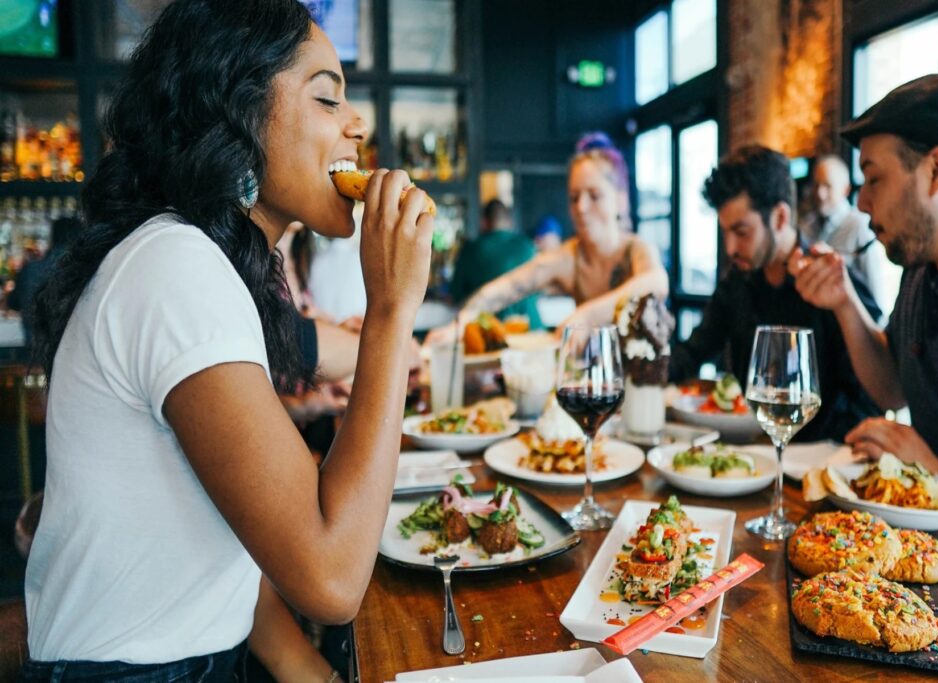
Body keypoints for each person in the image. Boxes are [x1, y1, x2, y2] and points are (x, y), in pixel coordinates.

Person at [21, 1, 433, 680]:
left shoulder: (198, 261)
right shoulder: (174, 266)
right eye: (327, 96)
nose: (358, 124)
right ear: (238, 114)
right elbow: (331, 578)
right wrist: (390, 310)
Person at [790, 73, 938, 520]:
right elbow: (893, 387)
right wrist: (844, 303)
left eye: (873, 179)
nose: (860, 202)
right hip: (932, 539)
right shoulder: (922, 258)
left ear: (937, 170)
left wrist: (937, 472)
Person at [668, 145, 882, 443]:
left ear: (780, 217)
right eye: (725, 232)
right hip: (752, 454)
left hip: (819, 464)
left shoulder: (832, 282)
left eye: (741, 232)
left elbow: (873, 396)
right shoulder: (736, 284)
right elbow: (693, 352)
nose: (730, 248)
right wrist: (641, 369)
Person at [426, 132, 668, 341]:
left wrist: (586, 315)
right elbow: (509, 286)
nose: (581, 207)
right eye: (574, 197)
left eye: (594, 195)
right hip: (595, 384)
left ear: (621, 199)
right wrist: (461, 323)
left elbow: (656, 282)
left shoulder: (636, 249)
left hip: (644, 386)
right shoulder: (570, 256)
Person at [800, 154, 898, 316]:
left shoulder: (860, 227)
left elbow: (876, 293)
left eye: (827, 186)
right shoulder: (806, 226)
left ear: (845, 189)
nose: (820, 193)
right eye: (816, 185)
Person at [449, 198, 541, 328]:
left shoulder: (470, 250)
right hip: (533, 330)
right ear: (509, 221)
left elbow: (456, 295)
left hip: (492, 334)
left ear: (484, 222)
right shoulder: (528, 246)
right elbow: (539, 290)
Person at [6, 216, 81, 347]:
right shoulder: (83, 270)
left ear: (52, 238)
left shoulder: (30, 269)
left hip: (33, 353)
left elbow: (13, 303)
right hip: (72, 353)